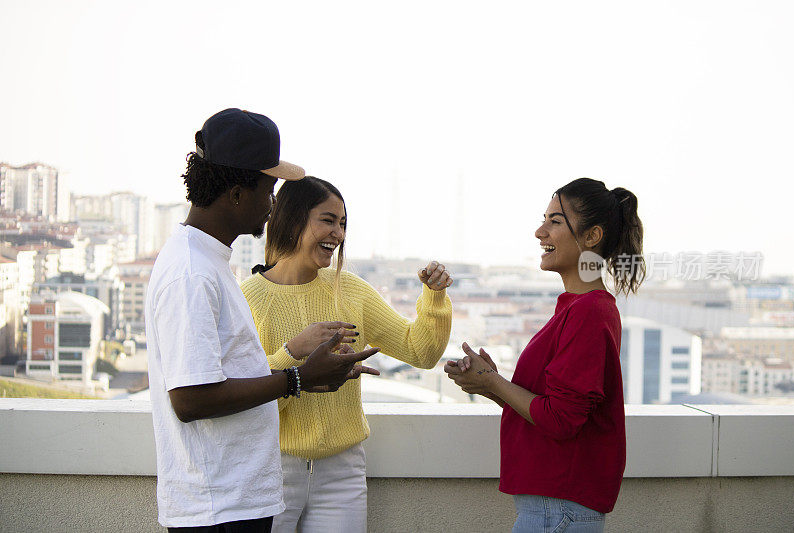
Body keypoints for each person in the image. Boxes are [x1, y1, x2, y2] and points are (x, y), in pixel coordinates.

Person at [146, 108, 379, 533]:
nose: (273, 204)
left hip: (237, 501)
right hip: (219, 509)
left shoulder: (208, 263)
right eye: (268, 189)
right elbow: (190, 400)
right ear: (236, 193)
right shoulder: (191, 272)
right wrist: (298, 378)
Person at [240, 176, 453, 533]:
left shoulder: (352, 290)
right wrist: (292, 353)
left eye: (343, 224)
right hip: (270, 470)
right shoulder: (249, 300)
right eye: (328, 220)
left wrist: (433, 298)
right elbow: (247, 401)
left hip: (342, 473)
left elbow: (422, 351)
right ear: (292, 219)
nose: (338, 234)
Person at [445, 177, 645, 532]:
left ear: (592, 236)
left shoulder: (588, 312)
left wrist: (491, 380)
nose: (540, 232)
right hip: (554, 509)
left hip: (557, 511)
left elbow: (560, 420)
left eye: (555, 222)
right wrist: (489, 386)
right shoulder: (578, 308)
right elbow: (549, 411)